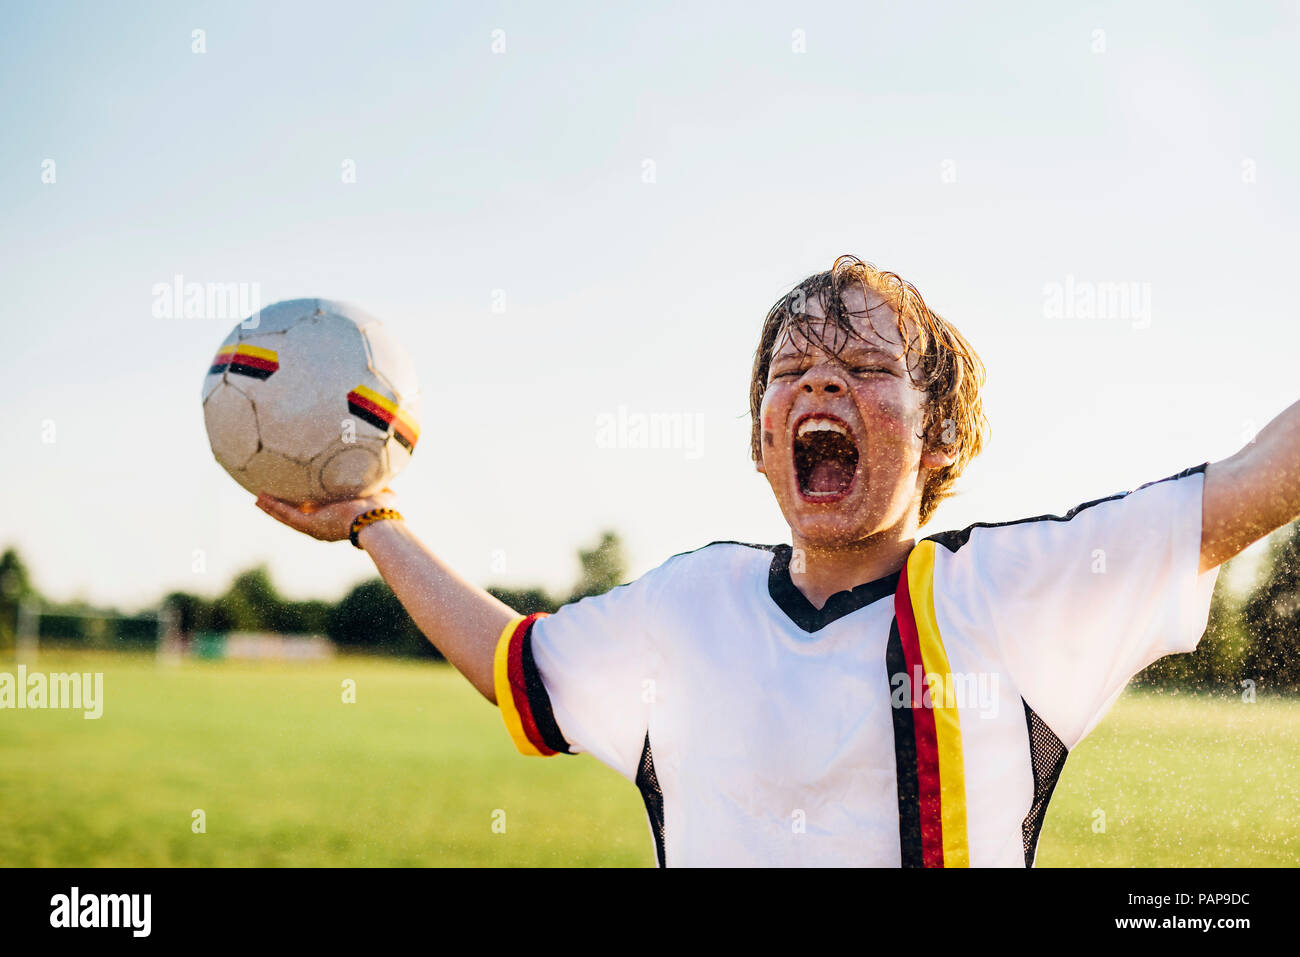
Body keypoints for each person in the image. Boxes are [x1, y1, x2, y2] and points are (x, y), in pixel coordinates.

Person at [255, 255, 1300, 867]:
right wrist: (371, 520)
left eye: (864, 368)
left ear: (942, 438)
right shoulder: (686, 603)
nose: (819, 387)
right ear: (760, 441)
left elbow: (1259, 478)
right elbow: (516, 668)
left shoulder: (1013, 592)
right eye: (792, 370)